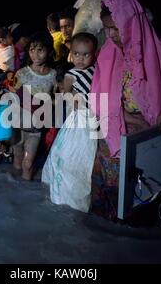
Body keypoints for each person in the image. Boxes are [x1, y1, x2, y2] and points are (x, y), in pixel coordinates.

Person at [90, 0, 161, 221]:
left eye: (116, 27)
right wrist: (127, 116)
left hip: (150, 133)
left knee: (144, 190)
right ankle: (104, 240)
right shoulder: (108, 53)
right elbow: (98, 97)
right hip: (114, 127)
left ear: (133, 21)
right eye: (107, 28)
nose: (112, 34)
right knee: (109, 189)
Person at [42, 32, 98, 212]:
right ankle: (65, 196)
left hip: (92, 116)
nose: (81, 59)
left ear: (94, 54)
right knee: (72, 154)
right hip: (79, 117)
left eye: (86, 54)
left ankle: (80, 197)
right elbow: (65, 93)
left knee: (86, 157)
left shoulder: (95, 70)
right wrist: (77, 99)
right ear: (71, 54)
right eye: (77, 54)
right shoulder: (71, 74)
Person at [12, 31, 57, 181]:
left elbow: (55, 99)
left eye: (40, 50)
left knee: (28, 162)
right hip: (18, 127)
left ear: (49, 51)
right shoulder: (22, 73)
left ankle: (26, 188)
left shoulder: (53, 75)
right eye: (32, 50)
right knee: (18, 159)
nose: (35, 55)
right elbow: (12, 96)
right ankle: (14, 191)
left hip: (35, 130)